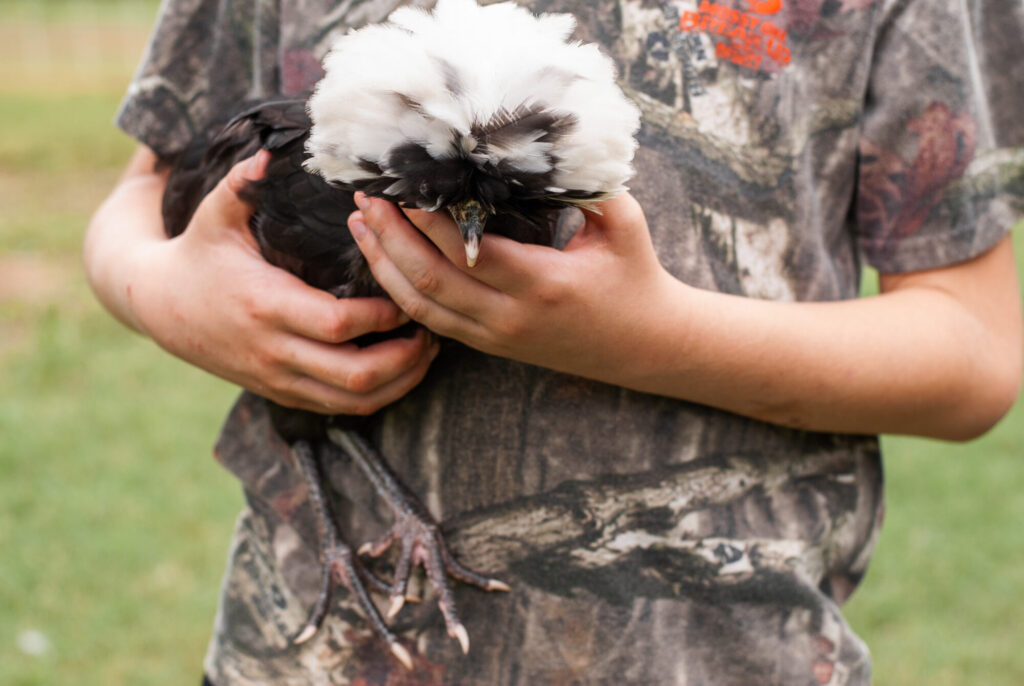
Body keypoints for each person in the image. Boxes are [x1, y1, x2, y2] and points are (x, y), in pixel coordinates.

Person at [85, 0, 1023, 683]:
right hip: (309, 656)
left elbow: (972, 350)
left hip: (727, 658)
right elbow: (151, 191)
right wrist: (162, 286)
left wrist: (651, 337)